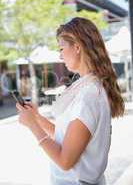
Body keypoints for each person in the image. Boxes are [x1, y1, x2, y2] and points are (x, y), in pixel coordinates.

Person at [16, 17, 125, 185]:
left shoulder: (89, 96)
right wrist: (37, 118)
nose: (59, 55)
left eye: (61, 48)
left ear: (77, 47)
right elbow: (67, 138)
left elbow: (65, 161)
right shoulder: (89, 87)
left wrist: (33, 126)